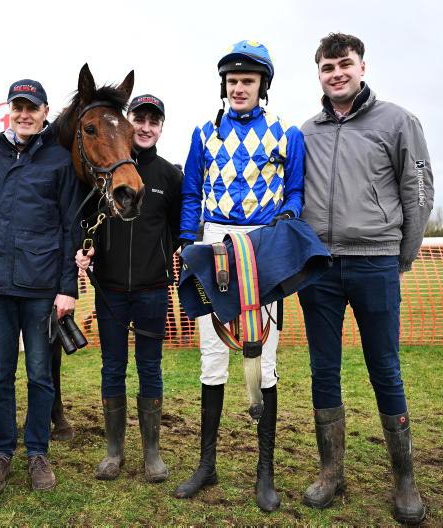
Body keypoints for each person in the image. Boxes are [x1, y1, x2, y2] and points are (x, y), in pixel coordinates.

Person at [298, 33, 433, 524]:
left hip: (376, 261)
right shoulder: (306, 132)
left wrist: (402, 254)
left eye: (345, 64)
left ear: (362, 67)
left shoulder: (397, 121)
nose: (336, 73)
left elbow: (418, 189)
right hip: (320, 268)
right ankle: (331, 472)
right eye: (327, 67)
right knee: (323, 370)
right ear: (319, 74)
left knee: (385, 368)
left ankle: (405, 480)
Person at [175, 40, 304, 512]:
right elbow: (192, 193)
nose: (239, 88)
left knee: (262, 360)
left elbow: (295, 192)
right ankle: (206, 465)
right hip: (215, 245)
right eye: (232, 81)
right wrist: (186, 240)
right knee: (213, 359)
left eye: (247, 81)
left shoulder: (287, 133)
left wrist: (284, 220)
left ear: (262, 85)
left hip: (261, 248)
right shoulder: (203, 133)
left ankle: (264, 474)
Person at [0, 79, 80, 495]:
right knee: (0, 376)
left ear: (44, 113)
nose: (23, 115)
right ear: (9, 112)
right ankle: (1, 453)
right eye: (17, 107)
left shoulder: (60, 161)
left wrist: (68, 288)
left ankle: (38, 451)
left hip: (41, 288)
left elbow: (71, 227)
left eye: (31, 108)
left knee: (40, 375)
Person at [75, 94, 182, 483]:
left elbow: (177, 229)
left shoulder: (169, 176)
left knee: (150, 367)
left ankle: (152, 453)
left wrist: (160, 260)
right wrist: (86, 251)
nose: (146, 127)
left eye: (154, 121)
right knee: (113, 367)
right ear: (127, 122)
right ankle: (113, 451)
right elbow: (86, 224)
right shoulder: (102, 172)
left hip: (153, 290)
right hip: (110, 291)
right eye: (140, 119)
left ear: (161, 128)